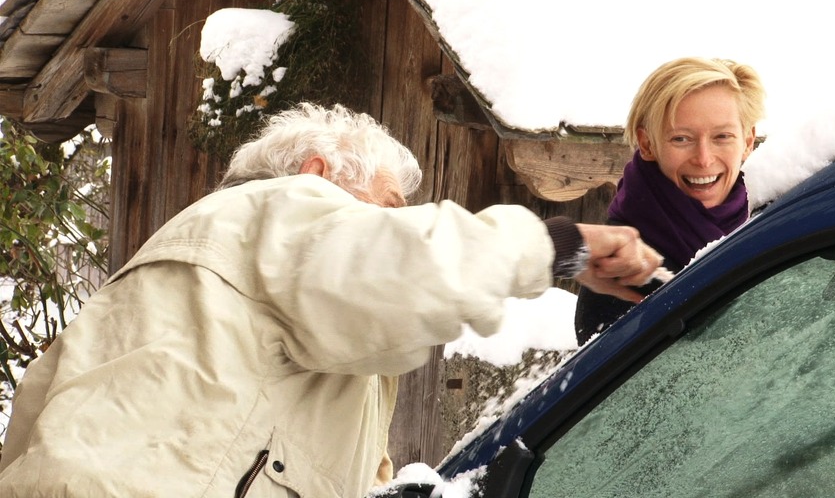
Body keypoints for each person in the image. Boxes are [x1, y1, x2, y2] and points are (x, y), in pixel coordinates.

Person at [0, 103, 661, 497]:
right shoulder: (283, 207)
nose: (398, 222)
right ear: (317, 172)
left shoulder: (208, 273)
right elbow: (404, 264)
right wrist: (562, 244)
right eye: (391, 208)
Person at [575, 57, 766, 345]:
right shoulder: (624, 270)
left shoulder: (768, 229)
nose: (703, 159)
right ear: (648, 143)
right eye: (681, 139)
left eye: (722, 136)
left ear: (748, 141)